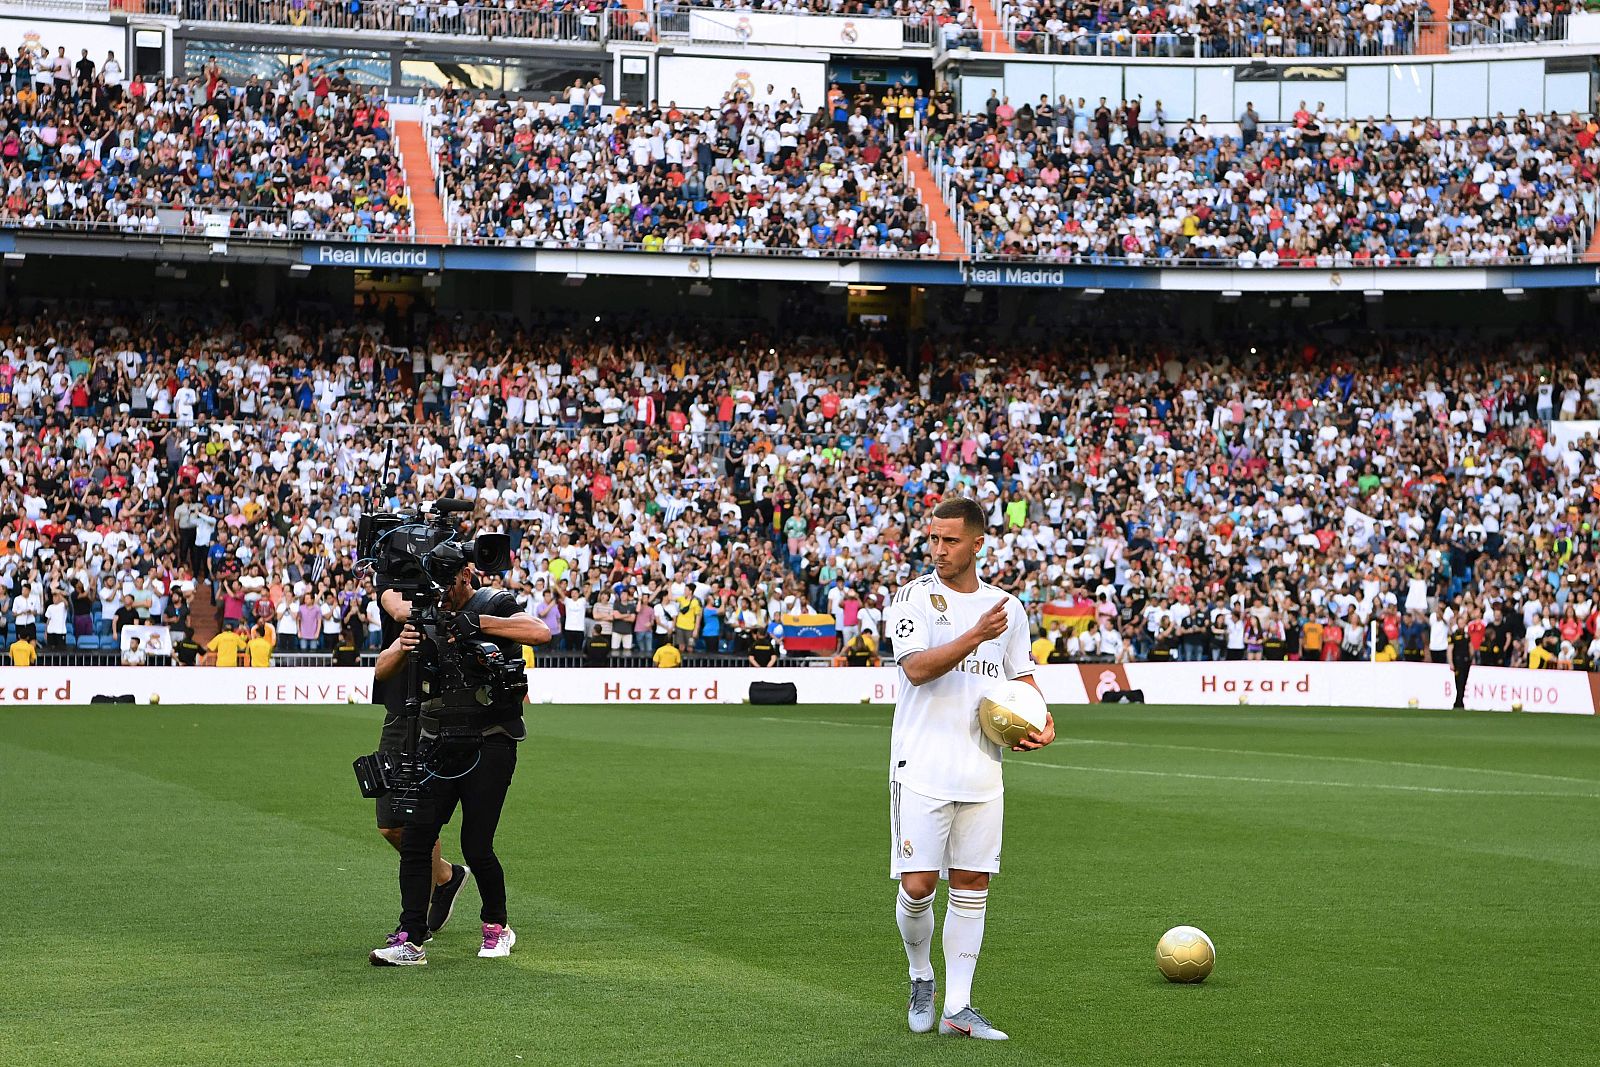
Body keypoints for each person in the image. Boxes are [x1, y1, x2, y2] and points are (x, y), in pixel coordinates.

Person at [882, 496, 1054, 1041]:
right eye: (932, 539)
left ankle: (959, 1006)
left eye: (949, 540)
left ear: (978, 544)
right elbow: (916, 670)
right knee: (917, 886)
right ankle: (920, 975)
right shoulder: (913, 598)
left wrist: (1043, 719)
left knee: (973, 881)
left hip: (982, 766)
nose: (938, 549)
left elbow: (1019, 677)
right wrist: (973, 635)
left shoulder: (1007, 608)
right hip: (922, 765)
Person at [370, 563, 551, 966]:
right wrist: (404, 644)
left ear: (466, 575)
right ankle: (410, 938)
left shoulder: (495, 602)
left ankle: (497, 926)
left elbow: (540, 632)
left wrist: (475, 622)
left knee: (476, 844)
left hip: (492, 741)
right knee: (416, 840)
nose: (441, 593)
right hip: (437, 742)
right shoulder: (427, 613)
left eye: (447, 584)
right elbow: (382, 672)